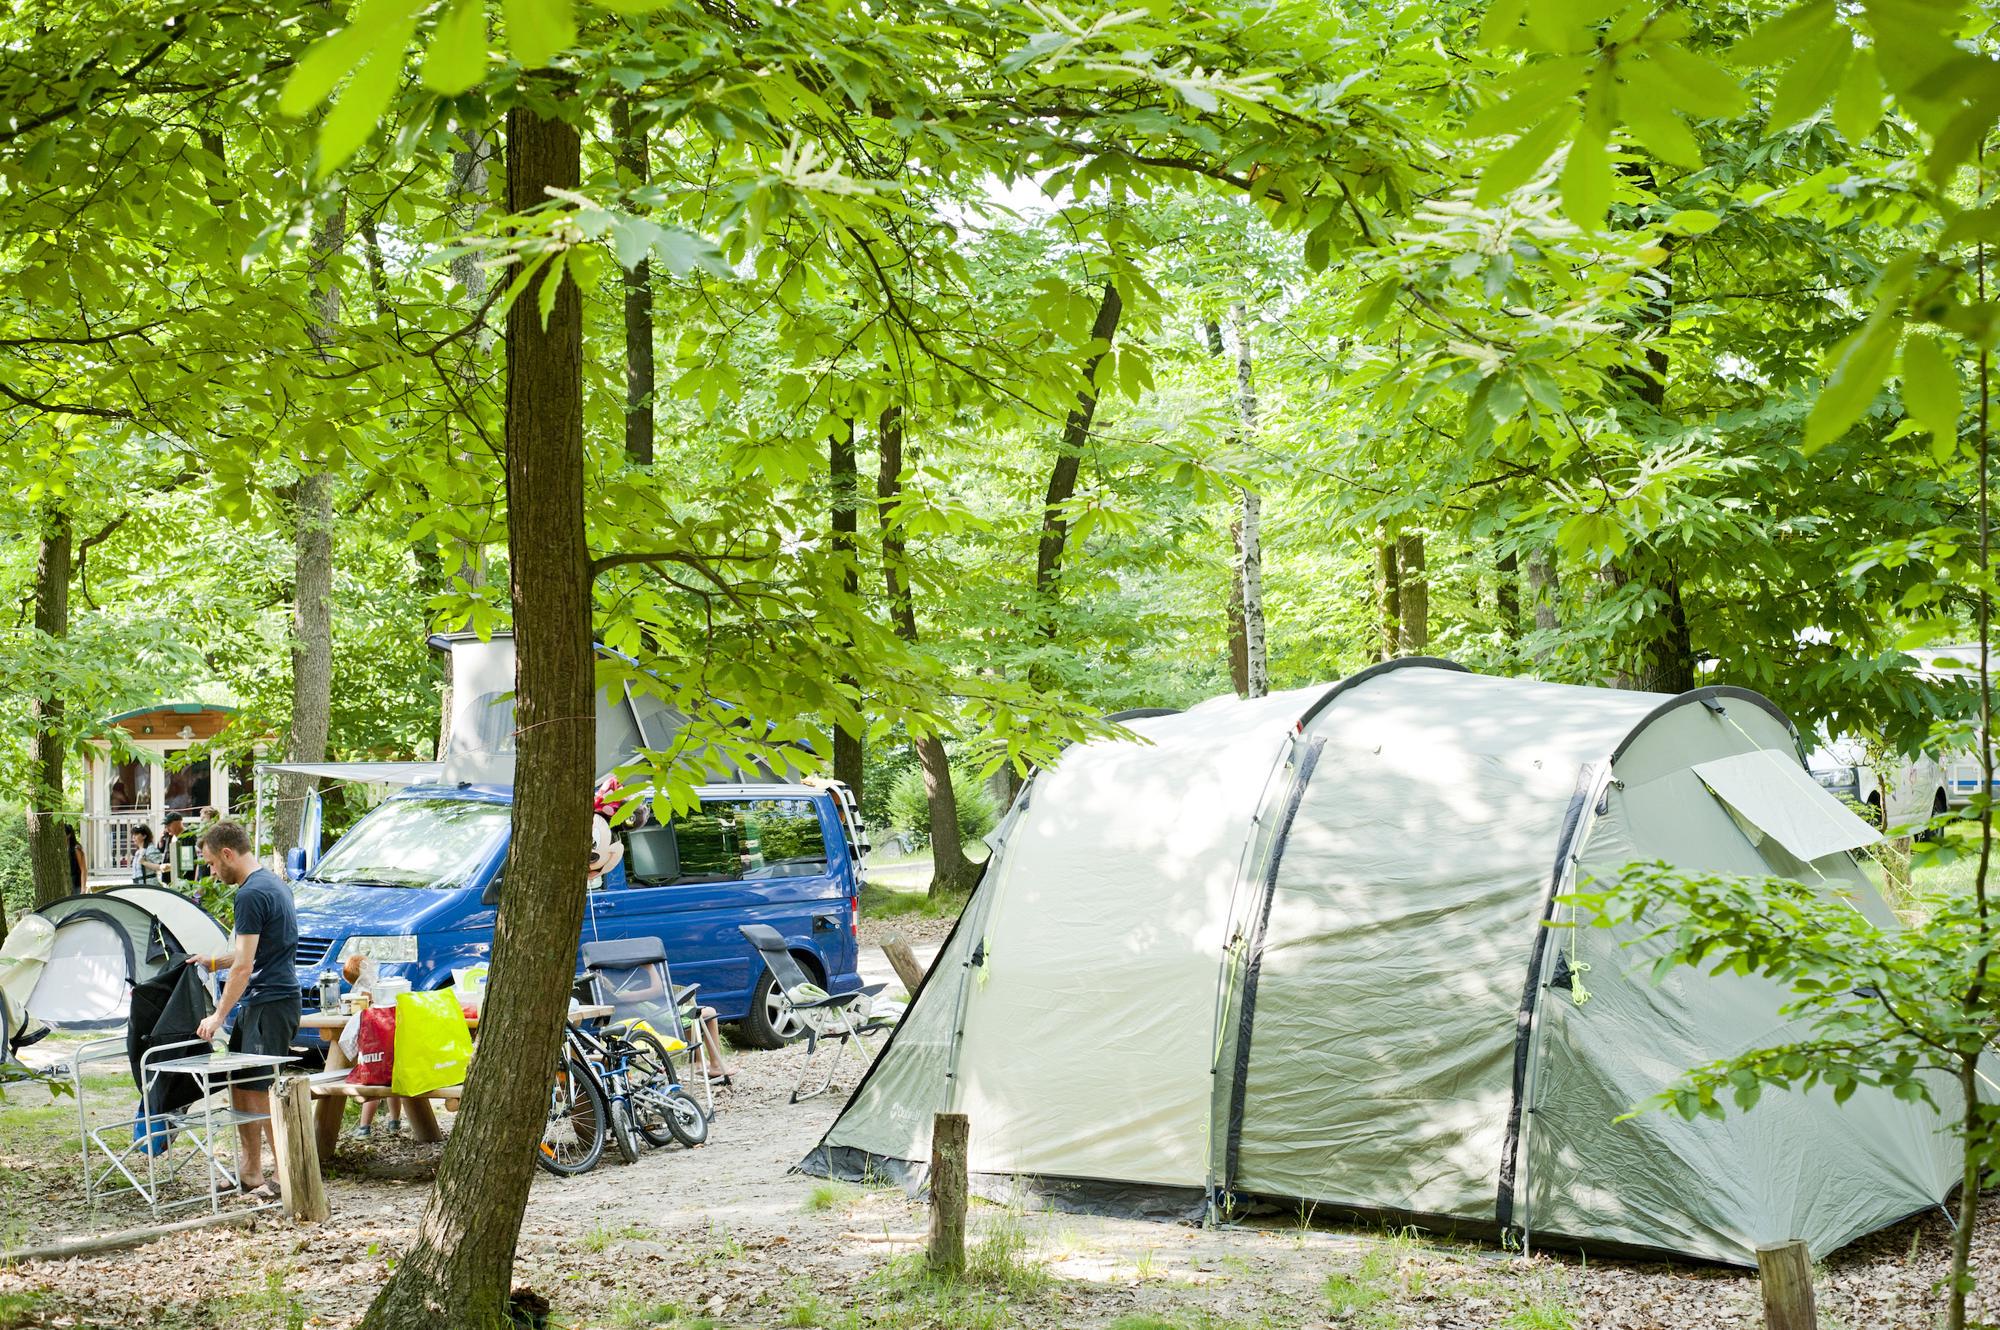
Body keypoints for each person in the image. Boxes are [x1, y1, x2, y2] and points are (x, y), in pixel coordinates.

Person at [186, 821, 299, 1201]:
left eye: (213, 864)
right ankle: (251, 1172)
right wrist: (213, 961)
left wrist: (218, 1015)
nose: (213, 873)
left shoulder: (250, 894)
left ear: (228, 854)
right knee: (241, 1085)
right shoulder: (272, 884)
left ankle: (288, 1177)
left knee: (261, 1090)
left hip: (270, 1000)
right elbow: (250, 952)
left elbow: (246, 966)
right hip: (267, 1001)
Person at [159, 812, 188, 887]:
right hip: (172, 880)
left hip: (185, 882)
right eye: (165, 826)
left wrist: (171, 866)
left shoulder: (187, 837)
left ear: (178, 823)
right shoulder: (171, 837)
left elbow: (188, 863)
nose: (167, 829)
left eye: (169, 825)